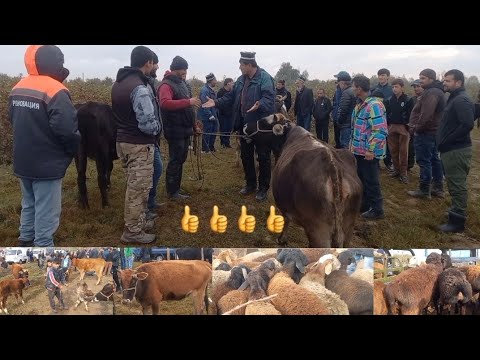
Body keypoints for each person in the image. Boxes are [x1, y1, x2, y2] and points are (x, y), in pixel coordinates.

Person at [9, 45, 80, 247]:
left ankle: (25, 240)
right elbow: (67, 130)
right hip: (47, 165)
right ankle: (43, 246)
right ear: (57, 62)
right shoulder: (56, 90)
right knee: (47, 213)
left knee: (29, 205)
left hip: (23, 161)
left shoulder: (17, 87)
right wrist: (71, 150)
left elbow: (12, 119)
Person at [202, 51, 275, 201]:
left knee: (263, 156)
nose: (240, 67)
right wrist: (216, 102)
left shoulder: (265, 78)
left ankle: (263, 189)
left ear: (249, 65)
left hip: (260, 125)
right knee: (246, 155)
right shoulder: (241, 80)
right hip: (244, 124)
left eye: (241, 65)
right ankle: (250, 184)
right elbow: (230, 97)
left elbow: (269, 98)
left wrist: (259, 104)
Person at [111, 45, 161, 244]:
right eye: (152, 63)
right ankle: (132, 231)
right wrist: (158, 129)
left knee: (134, 186)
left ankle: (138, 221)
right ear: (148, 62)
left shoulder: (118, 83)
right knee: (138, 189)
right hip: (139, 144)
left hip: (123, 141)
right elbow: (148, 123)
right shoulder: (139, 88)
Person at [158, 56, 201, 200]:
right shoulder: (166, 85)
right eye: (183, 71)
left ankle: (176, 187)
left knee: (181, 159)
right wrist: (188, 101)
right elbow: (165, 103)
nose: (185, 73)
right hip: (174, 129)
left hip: (184, 129)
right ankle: (172, 191)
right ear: (175, 69)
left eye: (186, 71)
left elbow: (189, 109)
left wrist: (194, 125)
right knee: (175, 160)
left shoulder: (182, 84)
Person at [437, 69, 475, 233]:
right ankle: (454, 213)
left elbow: (467, 124)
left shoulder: (461, 99)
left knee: (457, 185)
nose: (444, 83)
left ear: (458, 82)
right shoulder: (454, 98)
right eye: (444, 80)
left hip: (456, 150)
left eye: (448, 81)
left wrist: (447, 140)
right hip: (451, 149)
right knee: (453, 183)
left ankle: (457, 222)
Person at [350, 75, 388, 220]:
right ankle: (365, 205)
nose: (352, 88)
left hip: (368, 152)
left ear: (359, 88)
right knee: (362, 179)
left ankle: (377, 209)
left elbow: (380, 130)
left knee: (372, 180)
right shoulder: (360, 104)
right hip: (358, 151)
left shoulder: (374, 105)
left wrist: (370, 149)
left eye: (354, 86)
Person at [407, 68, 445, 199]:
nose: (420, 80)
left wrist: (416, 128)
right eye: (420, 77)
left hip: (426, 132)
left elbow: (426, 115)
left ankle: (424, 190)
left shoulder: (432, 93)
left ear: (431, 79)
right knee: (434, 159)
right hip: (432, 131)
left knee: (424, 161)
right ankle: (438, 188)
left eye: (423, 78)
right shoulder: (435, 91)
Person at [384, 78, 413, 184]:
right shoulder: (389, 99)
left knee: (403, 151)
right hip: (391, 127)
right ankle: (396, 170)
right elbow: (386, 113)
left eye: (396, 87)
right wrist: (388, 124)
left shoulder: (408, 100)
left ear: (402, 87)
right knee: (393, 150)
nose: (394, 89)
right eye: (393, 87)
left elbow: (411, 114)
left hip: (403, 128)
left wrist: (407, 125)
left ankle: (404, 173)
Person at [146, 52, 164, 220]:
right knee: (151, 171)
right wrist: (155, 128)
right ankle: (145, 208)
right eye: (156, 63)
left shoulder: (151, 83)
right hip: (145, 139)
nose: (157, 67)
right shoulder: (142, 85)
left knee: (157, 169)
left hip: (153, 138)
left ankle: (151, 203)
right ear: (149, 63)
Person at [335, 71, 356, 149]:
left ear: (343, 82)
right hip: (353, 123)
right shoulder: (353, 91)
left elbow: (343, 110)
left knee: (345, 145)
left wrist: (339, 121)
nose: (338, 84)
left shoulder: (346, 93)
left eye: (338, 82)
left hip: (346, 124)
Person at [198, 73, 219, 153]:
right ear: (211, 81)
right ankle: (204, 149)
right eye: (215, 80)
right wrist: (209, 115)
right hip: (206, 116)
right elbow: (204, 103)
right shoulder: (205, 90)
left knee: (214, 130)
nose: (216, 81)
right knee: (207, 132)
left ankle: (211, 147)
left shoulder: (212, 90)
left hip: (213, 113)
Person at [408, 79, 424, 170]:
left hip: (424, 129)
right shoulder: (412, 99)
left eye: (418, 86)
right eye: (414, 87)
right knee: (410, 148)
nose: (416, 88)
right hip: (412, 128)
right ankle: (409, 165)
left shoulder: (428, 98)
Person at [217, 78, 234, 148]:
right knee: (223, 129)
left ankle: (227, 143)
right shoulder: (220, 92)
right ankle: (223, 143)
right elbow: (218, 103)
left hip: (230, 114)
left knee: (229, 129)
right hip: (223, 114)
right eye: (232, 83)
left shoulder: (232, 92)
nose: (233, 84)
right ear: (228, 83)